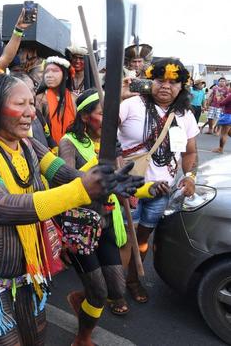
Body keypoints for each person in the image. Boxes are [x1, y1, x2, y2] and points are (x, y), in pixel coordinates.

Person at [0, 74, 142, 345]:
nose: (31, 113)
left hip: (28, 269)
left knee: (37, 340)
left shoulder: (28, 144)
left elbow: (64, 173)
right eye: (20, 104)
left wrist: (112, 184)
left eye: (31, 104)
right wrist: (83, 189)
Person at [59, 89, 164, 345]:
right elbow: (66, 180)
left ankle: (78, 299)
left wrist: (149, 188)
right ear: (85, 116)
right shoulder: (68, 142)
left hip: (107, 220)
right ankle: (83, 338)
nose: (110, 120)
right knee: (98, 293)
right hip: (81, 225)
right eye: (102, 113)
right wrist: (100, 158)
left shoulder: (112, 144)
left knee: (116, 291)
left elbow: (121, 183)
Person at [119, 58, 198, 303]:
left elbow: (190, 151)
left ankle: (132, 281)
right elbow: (104, 134)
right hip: (127, 188)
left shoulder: (185, 115)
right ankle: (114, 289)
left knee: (142, 240)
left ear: (182, 86)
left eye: (173, 82)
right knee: (122, 239)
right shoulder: (131, 104)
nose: (166, 86)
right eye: (160, 80)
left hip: (160, 190)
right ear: (151, 80)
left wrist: (189, 176)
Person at [41, 55, 76, 145]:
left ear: (66, 75)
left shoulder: (74, 99)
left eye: (55, 71)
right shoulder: (40, 100)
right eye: (47, 71)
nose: (49, 75)